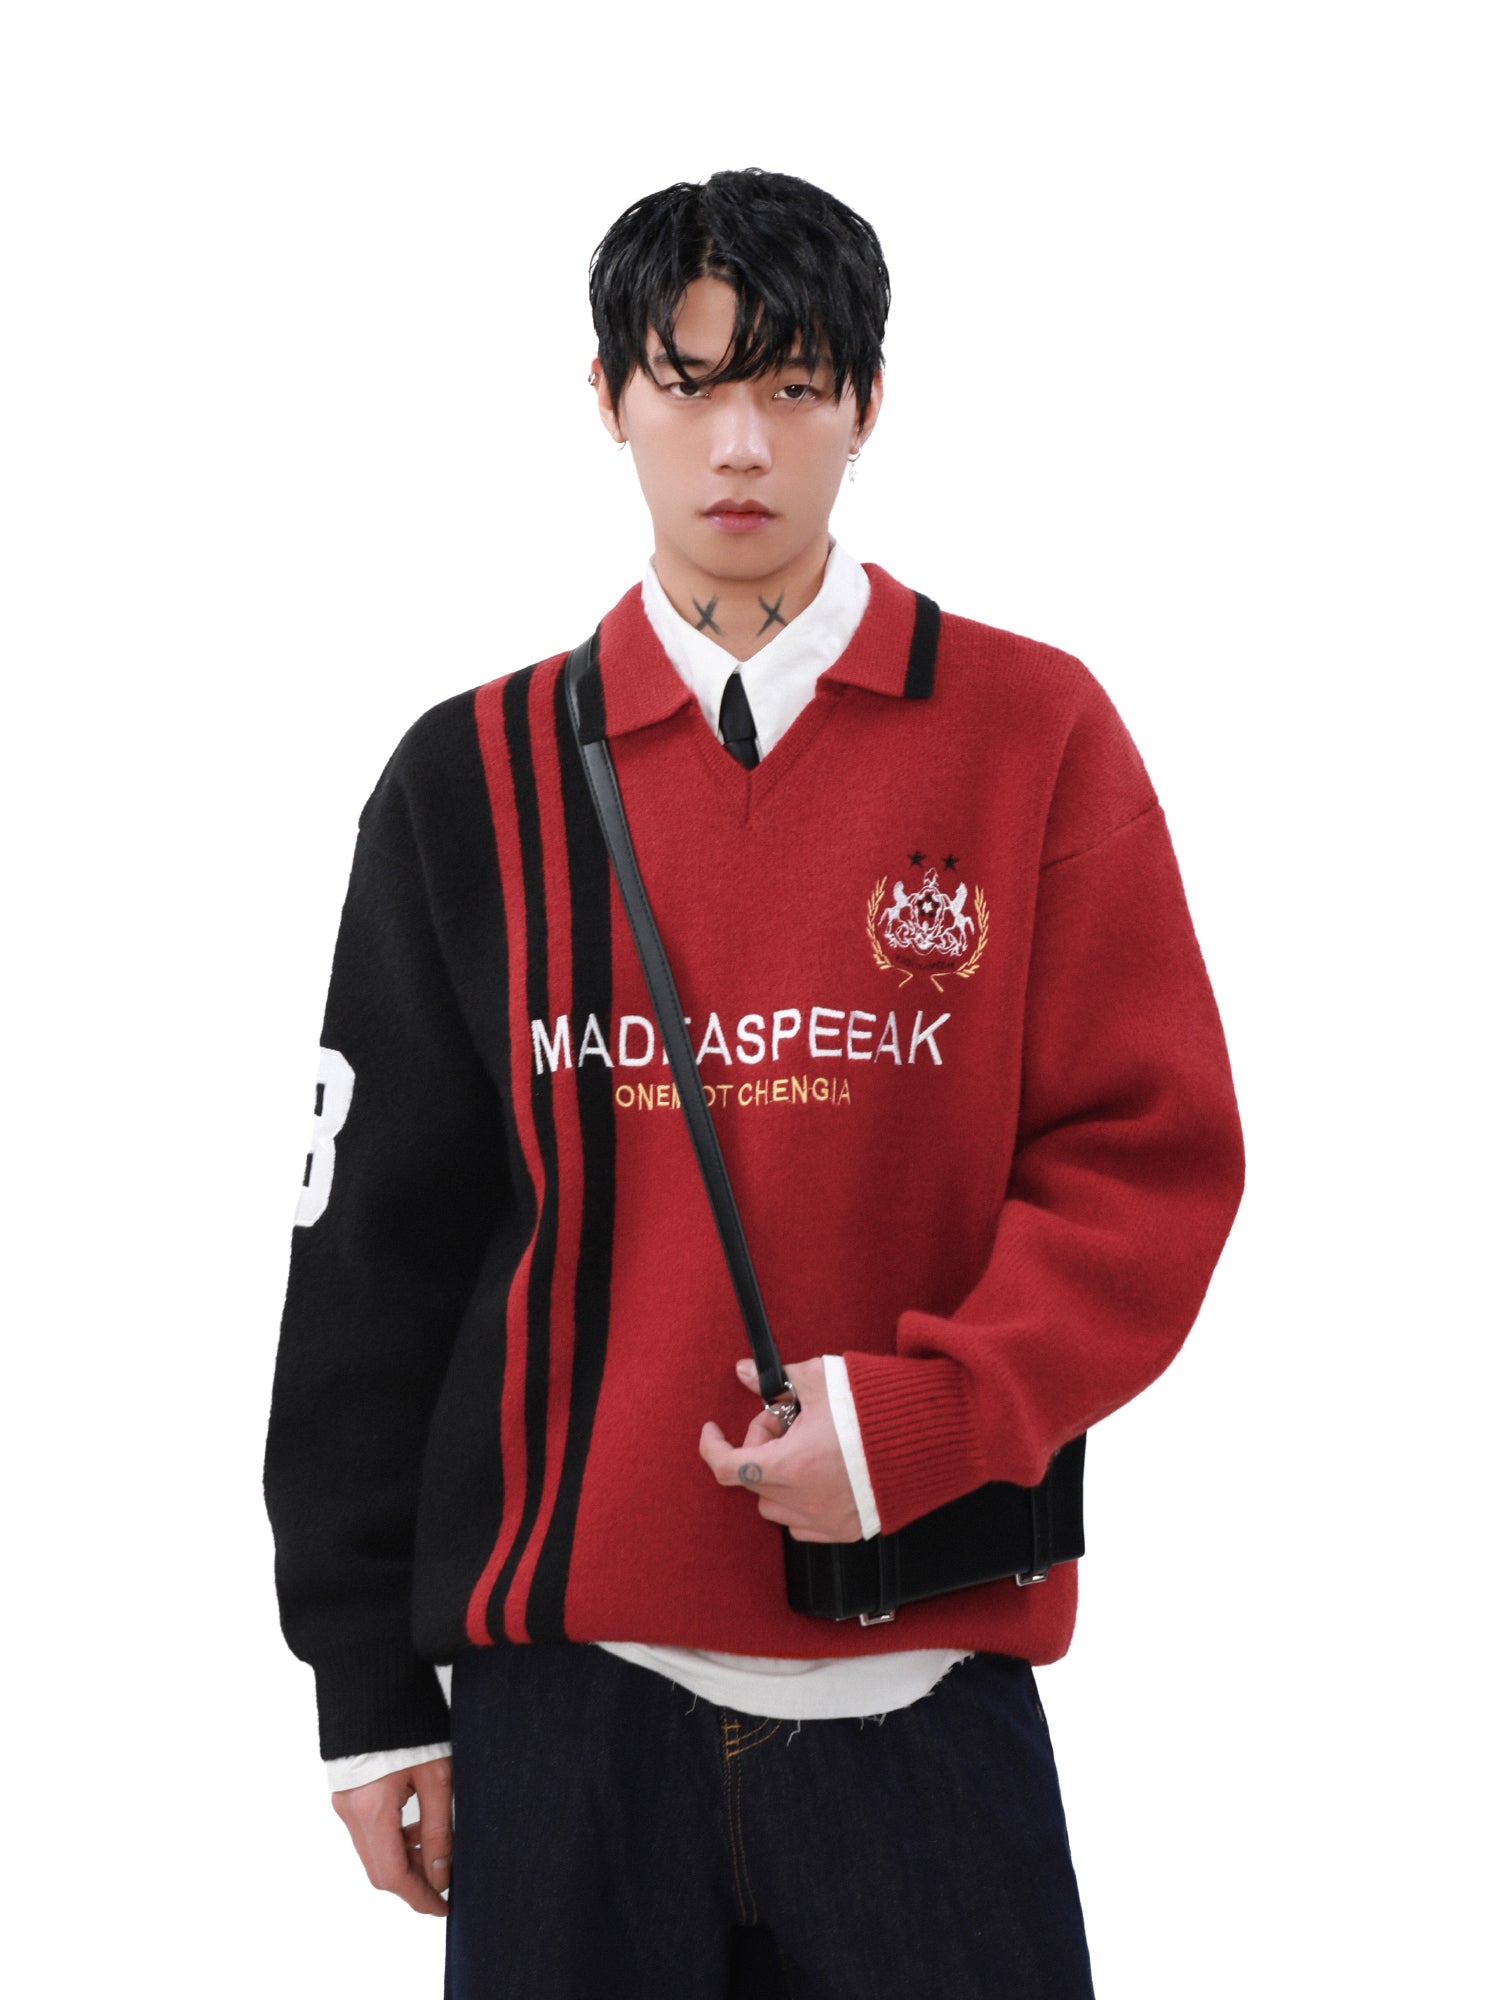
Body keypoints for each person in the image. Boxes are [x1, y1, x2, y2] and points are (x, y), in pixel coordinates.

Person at [263, 167, 1245, 1998]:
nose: (739, 444)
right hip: (566, 1707)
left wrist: (926, 1420)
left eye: (794, 388)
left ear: (867, 404)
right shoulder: (474, 779)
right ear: (608, 397)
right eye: (689, 383)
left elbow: (1150, 1166)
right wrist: (366, 1688)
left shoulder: (1030, 733)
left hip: (926, 1689)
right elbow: (372, 1259)